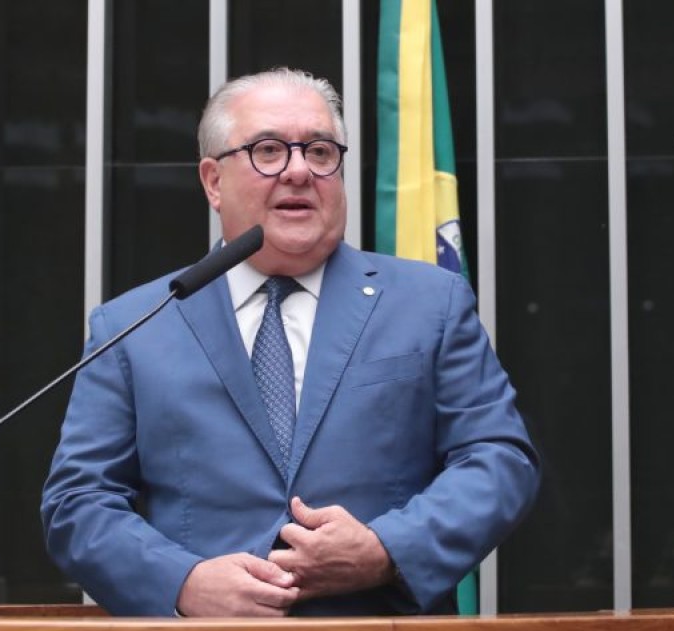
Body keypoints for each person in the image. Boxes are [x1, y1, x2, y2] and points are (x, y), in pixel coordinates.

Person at [40, 68, 539, 617]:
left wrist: (387, 549)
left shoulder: (429, 303)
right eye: (269, 151)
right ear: (213, 181)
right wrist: (183, 584)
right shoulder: (134, 325)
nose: (299, 171)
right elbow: (78, 503)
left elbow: (499, 459)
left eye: (320, 152)